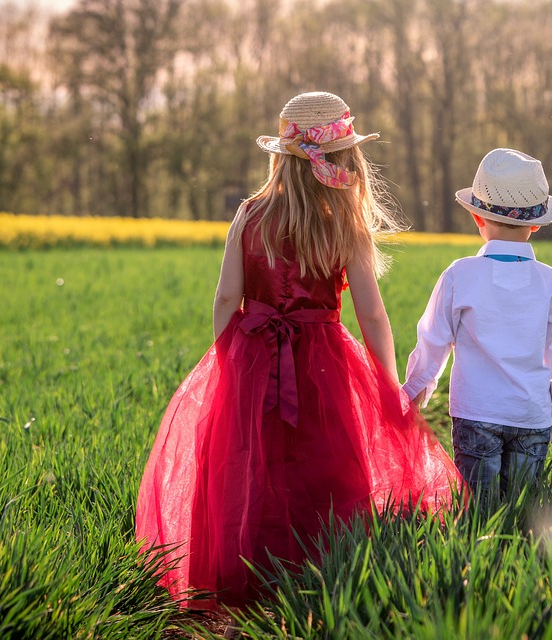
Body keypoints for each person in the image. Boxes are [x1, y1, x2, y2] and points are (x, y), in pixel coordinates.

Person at [135, 91, 461, 609]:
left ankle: (247, 570)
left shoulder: (248, 215)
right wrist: (385, 381)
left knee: (248, 462)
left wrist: (228, 360)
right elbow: (372, 314)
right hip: (325, 359)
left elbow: (225, 296)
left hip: (252, 351)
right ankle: (324, 565)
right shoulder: (344, 222)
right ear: (344, 158)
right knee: (325, 459)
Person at [402, 148, 552, 508]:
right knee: (520, 509)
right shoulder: (551, 281)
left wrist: (414, 389)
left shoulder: (460, 274)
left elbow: (433, 338)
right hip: (530, 416)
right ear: (537, 224)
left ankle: (479, 559)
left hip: (476, 413)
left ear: (476, 218)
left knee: (478, 510)